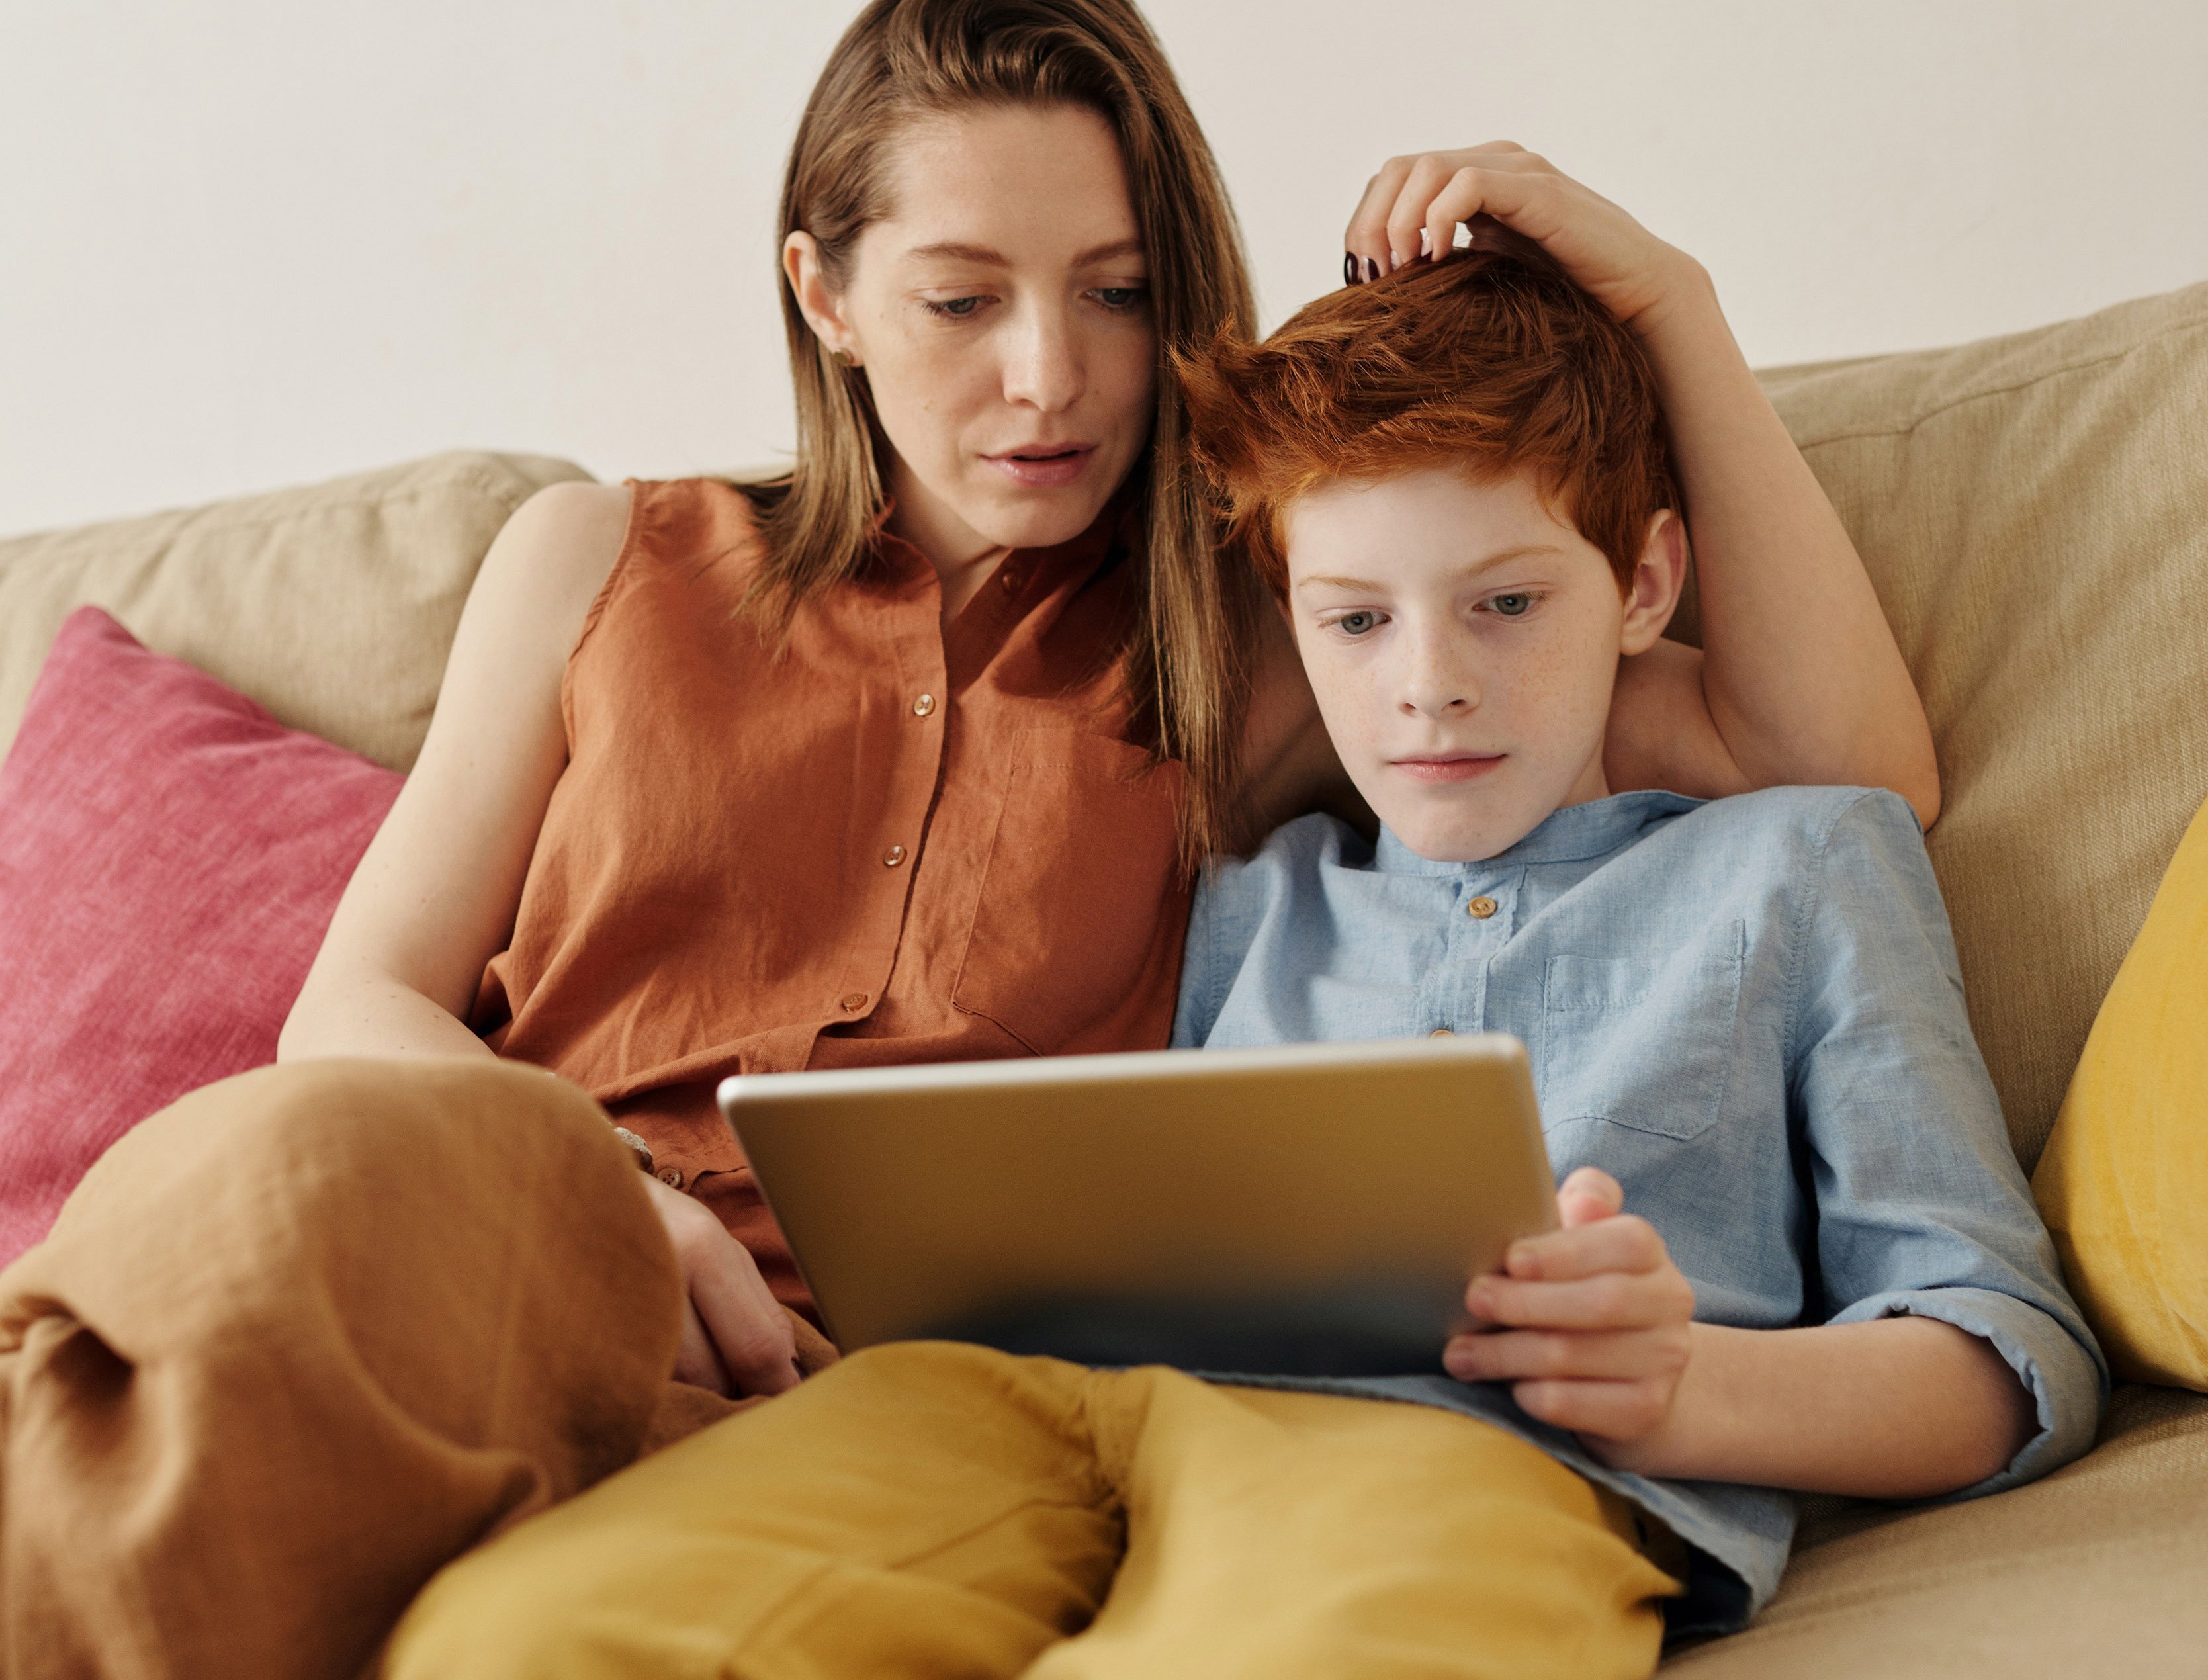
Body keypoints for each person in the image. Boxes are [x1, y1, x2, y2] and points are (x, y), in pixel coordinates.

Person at [0, 2, 1941, 1675]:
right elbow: (358, 1003)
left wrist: (1659, 295)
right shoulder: (596, 555)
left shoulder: (1265, 630)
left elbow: (1820, 753)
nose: (1050, 375)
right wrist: (618, 1201)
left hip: (856, 1397)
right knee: (280, 1200)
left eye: (1115, 293)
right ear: (823, 293)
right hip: (522, 1231)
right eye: (959, 297)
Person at [378, 237, 2103, 1679]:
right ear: (1290, 624)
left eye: (1506, 603)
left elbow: (2000, 1349)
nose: (1426, 683)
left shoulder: (1798, 860)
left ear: (1645, 582)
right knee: (526, 1629)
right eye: (1356, 618)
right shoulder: (1244, 886)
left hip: (1463, 1456)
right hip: (1036, 1408)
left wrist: (1689, 1384)